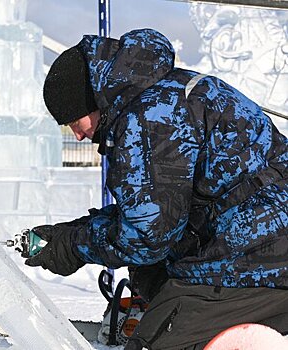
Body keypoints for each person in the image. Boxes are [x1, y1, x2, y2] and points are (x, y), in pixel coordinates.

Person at [24, 28, 288, 349]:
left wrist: (72, 245)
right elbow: (163, 208)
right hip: (264, 248)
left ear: (89, 102)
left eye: (72, 121)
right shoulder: (174, 91)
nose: (77, 135)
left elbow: (147, 236)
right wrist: (77, 230)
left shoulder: (146, 118)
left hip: (250, 264)